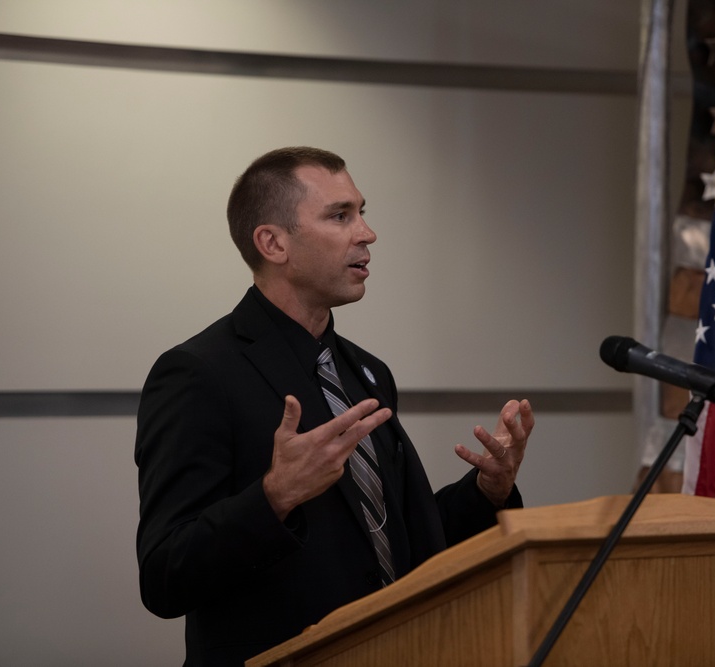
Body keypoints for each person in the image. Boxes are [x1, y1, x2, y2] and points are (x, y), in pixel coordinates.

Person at [134, 146, 534, 665]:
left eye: (362, 212)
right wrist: (274, 498)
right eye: (340, 216)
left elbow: (390, 544)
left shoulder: (366, 372)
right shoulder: (199, 373)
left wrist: (487, 492)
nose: (366, 233)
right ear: (273, 243)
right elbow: (165, 575)